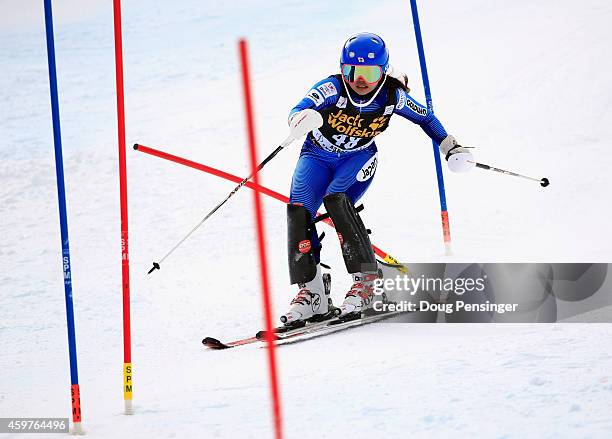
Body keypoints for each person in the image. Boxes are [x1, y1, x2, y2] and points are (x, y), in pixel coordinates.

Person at [281, 32, 474, 325]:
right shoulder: (332, 88)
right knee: (298, 212)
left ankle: (367, 282)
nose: (359, 79)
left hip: (357, 157)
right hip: (317, 154)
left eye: (369, 72)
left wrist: (450, 146)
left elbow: (425, 118)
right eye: (351, 71)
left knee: (338, 201)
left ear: (383, 71)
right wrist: (300, 120)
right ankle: (312, 293)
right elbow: (300, 108)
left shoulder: (392, 96)